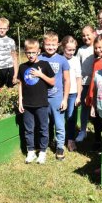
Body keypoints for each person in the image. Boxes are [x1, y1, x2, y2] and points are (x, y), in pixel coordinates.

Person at [18, 38, 56, 164]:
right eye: (28, 52)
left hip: (41, 104)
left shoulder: (44, 65)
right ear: (25, 53)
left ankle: (43, 152)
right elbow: (20, 85)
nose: (31, 55)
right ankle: (31, 152)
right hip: (27, 104)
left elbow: (52, 82)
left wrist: (41, 75)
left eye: (33, 52)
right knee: (28, 129)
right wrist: (20, 101)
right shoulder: (22, 67)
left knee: (43, 128)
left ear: (39, 51)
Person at [39, 31, 71, 161]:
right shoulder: (40, 58)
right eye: (48, 44)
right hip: (42, 97)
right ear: (43, 44)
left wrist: (65, 99)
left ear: (58, 45)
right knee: (44, 123)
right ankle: (45, 144)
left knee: (59, 124)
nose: (50, 47)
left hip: (57, 97)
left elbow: (67, 80)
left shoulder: (62, 60)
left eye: (53, 44)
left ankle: (60, 147)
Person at [86, 36, 102, 150]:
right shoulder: (96, 61)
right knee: (95, 119)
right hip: (94, 92)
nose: (98, 50)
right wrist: (89, 94)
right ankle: (97, 142)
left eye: (100, 47)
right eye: (95, 48)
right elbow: (93, 80)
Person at [75, 26, 96, 144]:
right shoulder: (81, 50)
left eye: (88, 34)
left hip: (97, 84)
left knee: (97, 107)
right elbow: (77, 67)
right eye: (83, 35)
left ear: (94, 34)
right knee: (84, 107)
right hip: (84, 83)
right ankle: (83, 131)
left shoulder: (98, 48)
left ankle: (99, 130)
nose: (86, 37)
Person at [61, 35, 82, 151]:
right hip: (62, 93)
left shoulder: (75, 60)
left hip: (73, 93)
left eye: (73, 50)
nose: (71, 52)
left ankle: (70, 139)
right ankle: (60, 137)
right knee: (60, 116)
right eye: (69, 49)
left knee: (71, 117)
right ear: (63, 47)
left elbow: (79, 78)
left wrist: (79, 95)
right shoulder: (59, 59)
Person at [0, 17, 18, 90]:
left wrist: (15, 73)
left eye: (4, 28)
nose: (2, 30)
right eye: (0, 28)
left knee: (10, 90)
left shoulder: (11, 41)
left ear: (7, 28)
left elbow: (14, 58)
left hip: (9, 68)